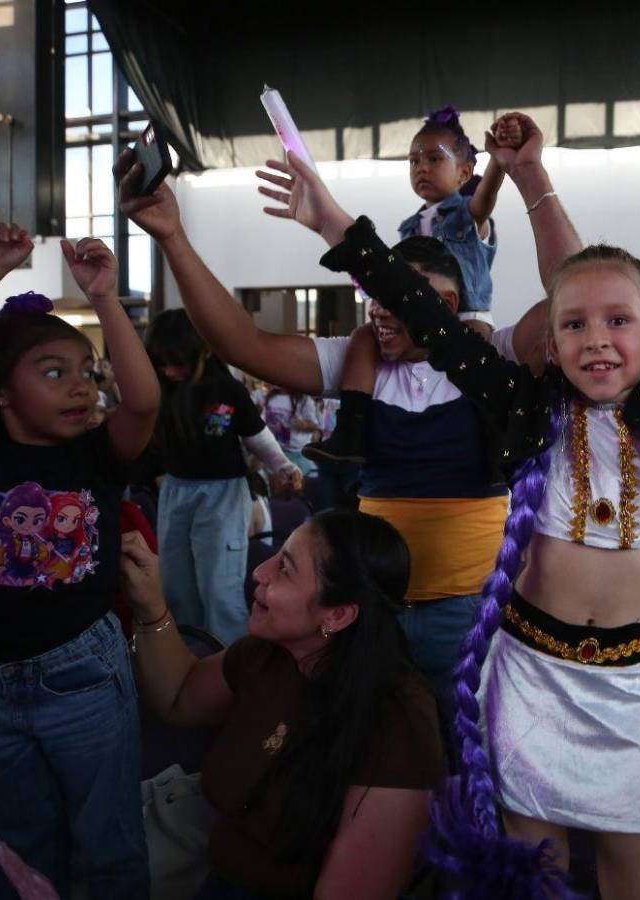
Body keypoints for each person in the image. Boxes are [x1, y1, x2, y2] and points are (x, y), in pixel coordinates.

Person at [258, 28, 640, 897]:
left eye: (618, 321)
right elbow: (423, 308)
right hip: (529, 675)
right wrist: (337, 225)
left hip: (628, 683)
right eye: (573, 323)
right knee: (535, 871)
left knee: (634, 871)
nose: (596, 339)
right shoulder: (525, 405)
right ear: (550, 341)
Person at [116, 110, 574, 713]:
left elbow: (573, 295)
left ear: (446, 306)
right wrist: (173, 237)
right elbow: (241, 344)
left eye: (399, 299)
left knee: (460, 746)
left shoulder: (494, 356)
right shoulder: (359, 360)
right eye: (375, 298)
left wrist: (529, 173)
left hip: (469, 609)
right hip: (369, 607)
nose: (380, 312)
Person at [0, 224, 160, 898]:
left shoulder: (96, 453)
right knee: (20, 852)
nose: (81, 389)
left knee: (107, 843)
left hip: (82, 672)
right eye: (53, 372)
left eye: (86, 372)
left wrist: (105, 299)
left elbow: (143, 400)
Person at [118, 509, 443, 899]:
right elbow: (179, 697)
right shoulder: (272, 653)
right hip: (220, 870)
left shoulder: (397, 726)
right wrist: (150, 606)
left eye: (285, 569)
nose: (259, 571)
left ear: (337, 615)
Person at [303, 107, 519, 465]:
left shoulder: (465, 216)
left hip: (464, 317)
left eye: (435, 159)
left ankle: (490, 439)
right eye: (414, 160)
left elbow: (485, 199)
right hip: (414, 319)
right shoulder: (409, 227)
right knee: (363, 338)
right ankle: (351, 428)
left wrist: (498, 163)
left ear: (465, 172)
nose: (421, 168)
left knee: (476, 357)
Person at [146, 309, 302, 643]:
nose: (170, 371)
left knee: (219, 588)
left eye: (178, 362)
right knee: (176, 586)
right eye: (162, 363)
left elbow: (256, 436)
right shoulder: (161, 390)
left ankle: (228, 660)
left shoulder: (226, 389)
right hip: (176, 490)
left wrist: (285, 467)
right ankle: (188, 655)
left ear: (203, 351)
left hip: (223, 494)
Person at [262, 386, 323, 474]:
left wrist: (303, 425)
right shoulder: (270, 397)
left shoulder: (304, 399)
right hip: (275, 450)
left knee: (297, 480)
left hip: (298, 453)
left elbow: (314, 426)